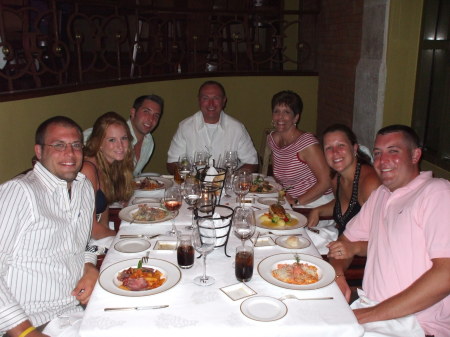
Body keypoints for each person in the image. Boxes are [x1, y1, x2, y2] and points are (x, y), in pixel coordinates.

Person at [328, 125, 450, 336]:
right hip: (371, 311)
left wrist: (366, 315)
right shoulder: (380, 196)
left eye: (393, 151)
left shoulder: (436, 193)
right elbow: (345, 243)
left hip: (414, 324)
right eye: (377, 153)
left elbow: (446, 274)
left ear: (415, 155)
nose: (382, 161)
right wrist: (338, 274)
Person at [0, 116, 98, 337]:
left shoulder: (83, 187)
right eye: (58, 145)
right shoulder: (20, 193)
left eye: (76, 145)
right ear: (39, 151)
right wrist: (25, 332)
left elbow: (87, 242)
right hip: (32, 322)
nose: (70, 153)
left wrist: (89, 265)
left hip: (74, 311)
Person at [166, 81, 258, 174]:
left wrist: (232, 177)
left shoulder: (237, 128)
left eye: (216, 98)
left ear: (224, 100)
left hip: (227, 185)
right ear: (199, 101)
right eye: (205, 98)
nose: (211, 104)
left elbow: (251, 162)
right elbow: (172, 163)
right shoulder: (185, 127)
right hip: (194, 185)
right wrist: (189, 177)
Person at [307, 124, 381, 236]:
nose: (335, 152)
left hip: (363, 251)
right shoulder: (336, 178)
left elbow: (380, 236)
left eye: (341, 145)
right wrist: (318, 210)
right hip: (341, 243)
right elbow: (341, 205)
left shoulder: (369, 183)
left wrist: (352, 248)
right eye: (329, 148)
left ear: (354, 148)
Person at [82, 111, 134, 240]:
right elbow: (92, 230)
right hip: (78, 244)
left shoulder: (108, 165)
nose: (120, 146)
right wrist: (124, 238)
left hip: (94, 239)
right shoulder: (87, 170)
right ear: (99, 143)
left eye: (124, 138)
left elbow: (103, 222)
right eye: (112, 140)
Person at [84, 94, 163, 176]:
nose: (151, 119)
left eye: (156, 116)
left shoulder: (149, 142)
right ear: (133, 112)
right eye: (146, 112)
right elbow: (84, 138)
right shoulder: (113, 129)